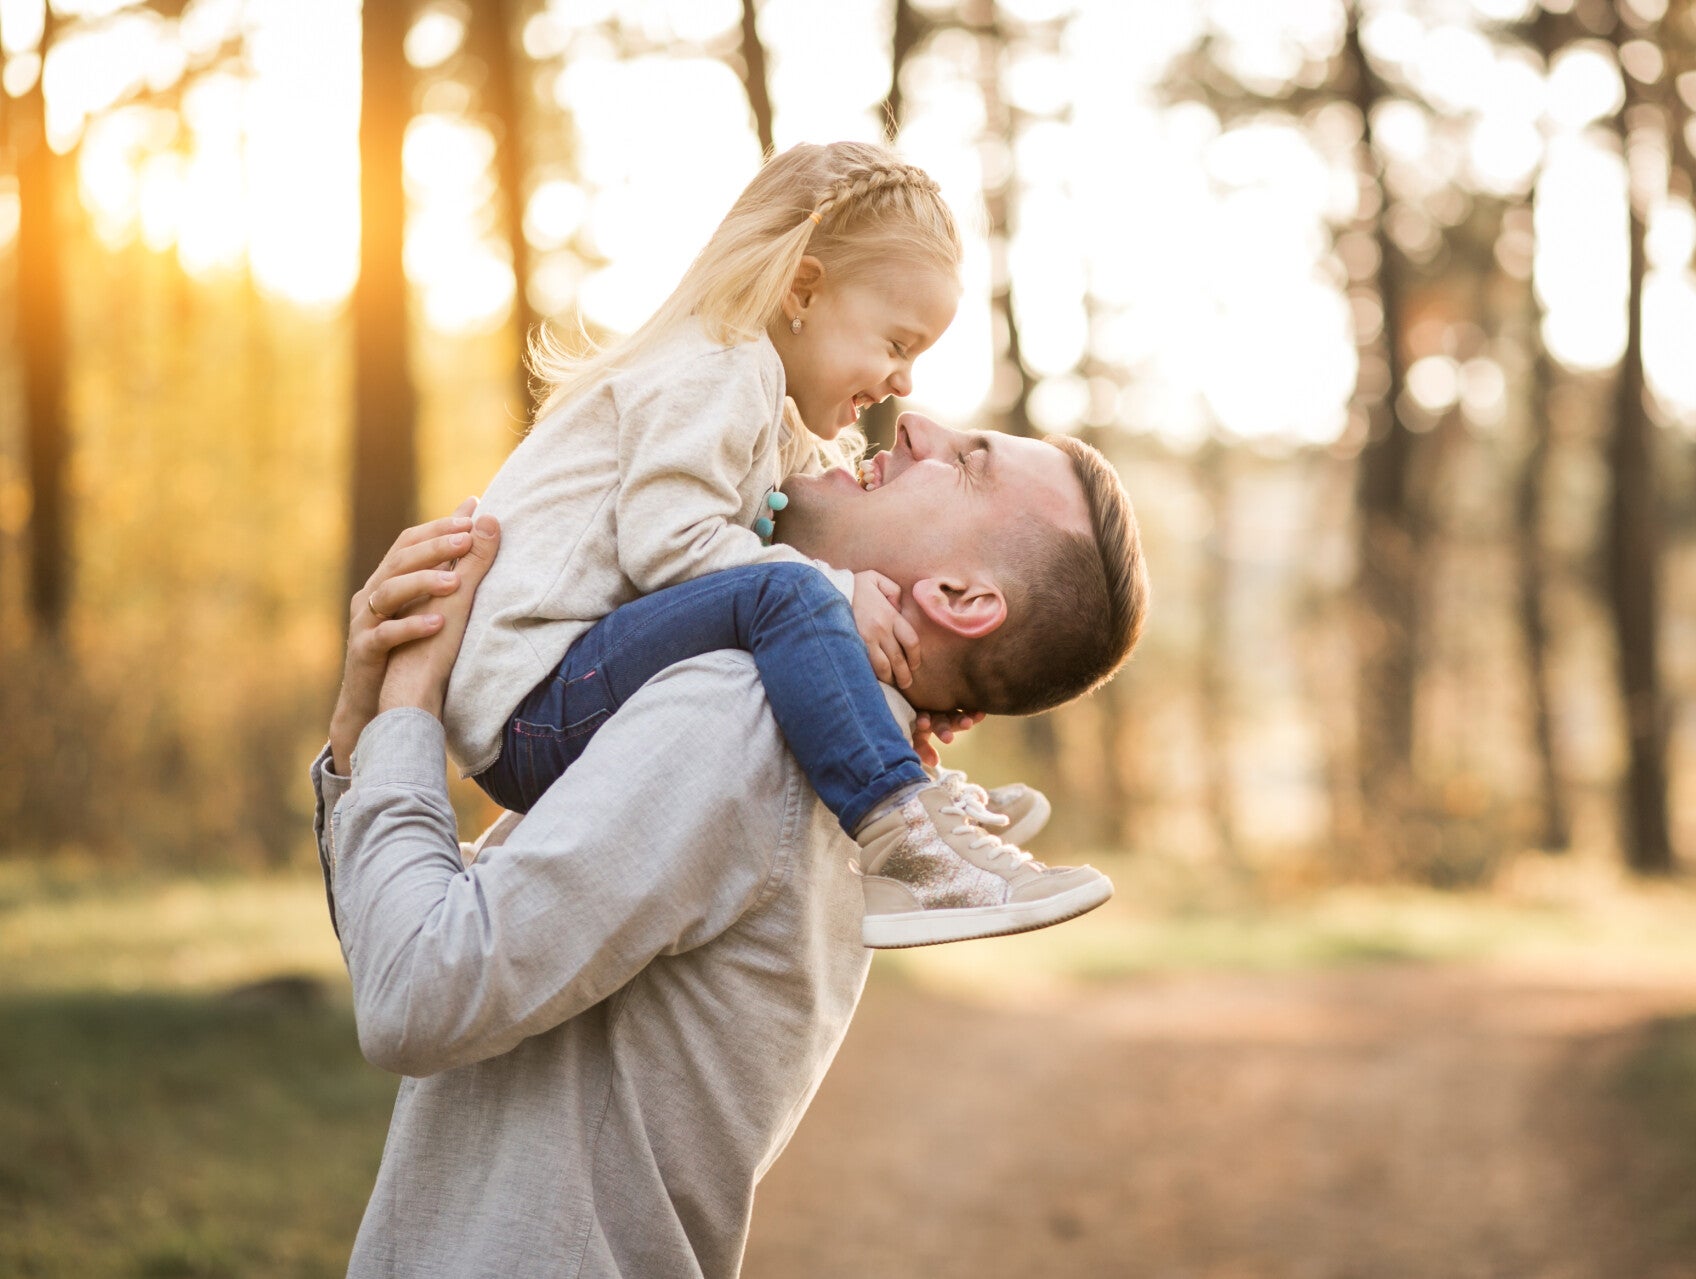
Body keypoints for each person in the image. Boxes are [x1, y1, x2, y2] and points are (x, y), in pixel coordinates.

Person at [316, 413, 1146, 1277]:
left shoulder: (746, 710)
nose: (915, 423)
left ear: (961, 599)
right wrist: (359, 739)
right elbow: (406, 940)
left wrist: (409, 703)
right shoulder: (827, 748)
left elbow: (417, 992)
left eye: (969, 462)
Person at [441, 140, 1106, 947]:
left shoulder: (758, 397)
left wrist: (899, 691)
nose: (904, 386)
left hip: (562, 690)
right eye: (897, 344)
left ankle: (911, 790)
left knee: (793, 590)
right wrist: (835, 592)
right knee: (791, 590)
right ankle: (908, 845)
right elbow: (670, 548)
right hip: (531, 703)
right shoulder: (718, 366)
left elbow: (788, 522)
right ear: (803, 289)